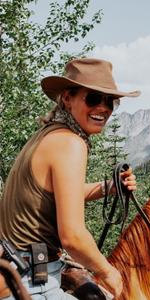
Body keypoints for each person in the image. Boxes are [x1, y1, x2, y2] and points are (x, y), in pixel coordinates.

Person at [0, 58, 141, 299]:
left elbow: (55, 194)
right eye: (94, 98)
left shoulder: (48, 134)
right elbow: (73, 236)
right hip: (34, 280)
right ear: (67, 98)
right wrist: (108, 271)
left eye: (110, 101)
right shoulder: (70, 143)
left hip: (16, 266)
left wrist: (107, 188)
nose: (104, 107)